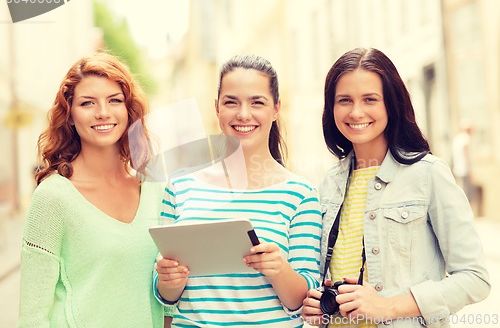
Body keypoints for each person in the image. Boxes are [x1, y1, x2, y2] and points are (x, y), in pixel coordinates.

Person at [302, 48, 490, 327]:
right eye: (344, 100)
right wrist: (316, 305)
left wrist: (388, 306)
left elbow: (475, 279)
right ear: (331, 108)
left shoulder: (428, 174)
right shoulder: (328, 184)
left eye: (370, 99)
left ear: (391, 103)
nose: (356, 112)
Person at [154, 54, 322, 327]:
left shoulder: (300, 194)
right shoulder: (179, 187)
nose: (243, 114)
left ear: (276, 108)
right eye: (231, 102)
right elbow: (164, 297)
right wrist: (168, 280)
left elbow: (304, 300)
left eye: (257, 102)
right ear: (217, 108)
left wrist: (279, 270)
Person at [17, 52, 167, 327]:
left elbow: (169, 301)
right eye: (87, 103)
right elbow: (32, 317)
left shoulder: (156, 191)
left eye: (115, 100)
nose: (103, 112)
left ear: (128, 111)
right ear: (70, 116)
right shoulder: (53, 198)